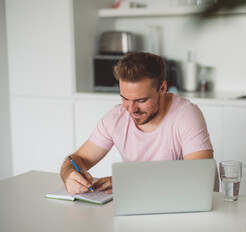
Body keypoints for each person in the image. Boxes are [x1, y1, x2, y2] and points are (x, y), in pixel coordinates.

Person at [60, 52, 214, 194]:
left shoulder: (186, 116)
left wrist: (128, 182)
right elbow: (77, 159)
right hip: (135, 205)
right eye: (125, 98)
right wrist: (69, 175)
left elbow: (199, 179)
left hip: (181, 207)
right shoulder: (116, 118)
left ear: (162, 88)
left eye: (141, 100)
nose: (131, 109)